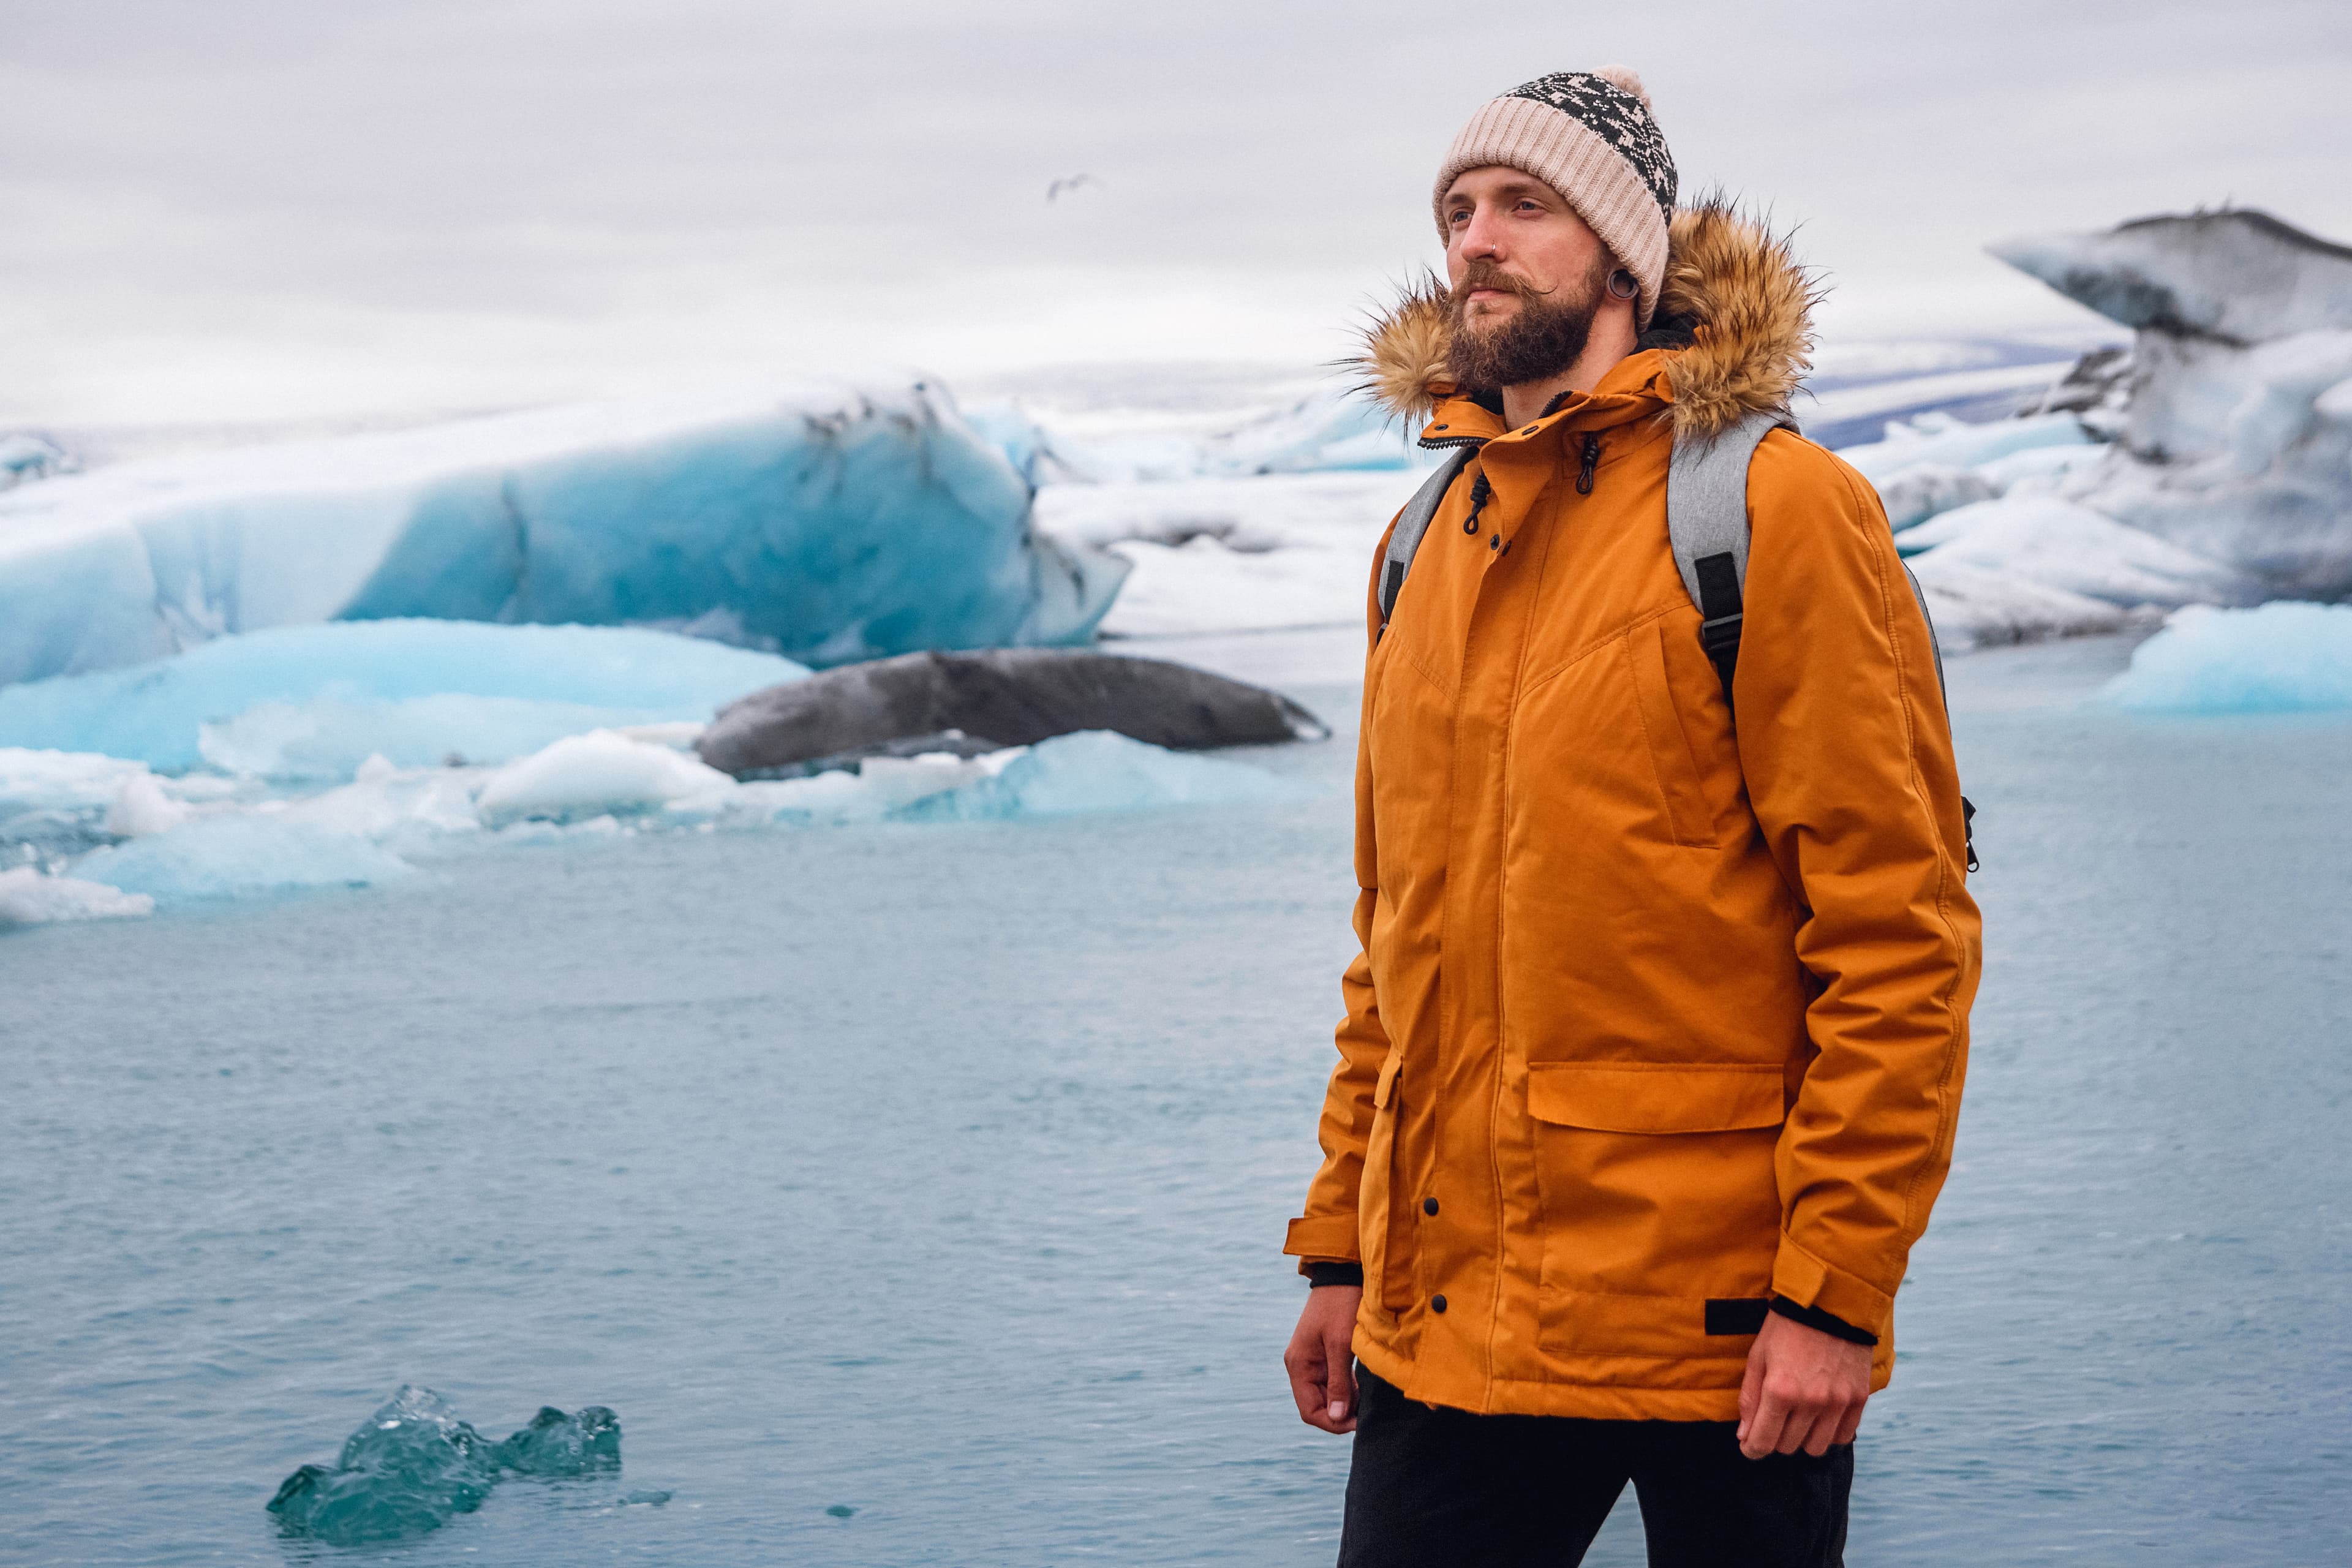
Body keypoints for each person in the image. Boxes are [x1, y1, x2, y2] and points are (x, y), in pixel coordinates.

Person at [1279, 67, 1981, 1568]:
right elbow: (1392, 948)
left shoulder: (1773, 512)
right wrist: (1341, 1241)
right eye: (1458, 210)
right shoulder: (1421, 543)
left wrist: (1835, 1292)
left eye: (1525, 205)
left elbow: (1897, 934)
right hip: (1446, 1316)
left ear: (1624, 252)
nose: (1477, 239)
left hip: (1725, 1334)